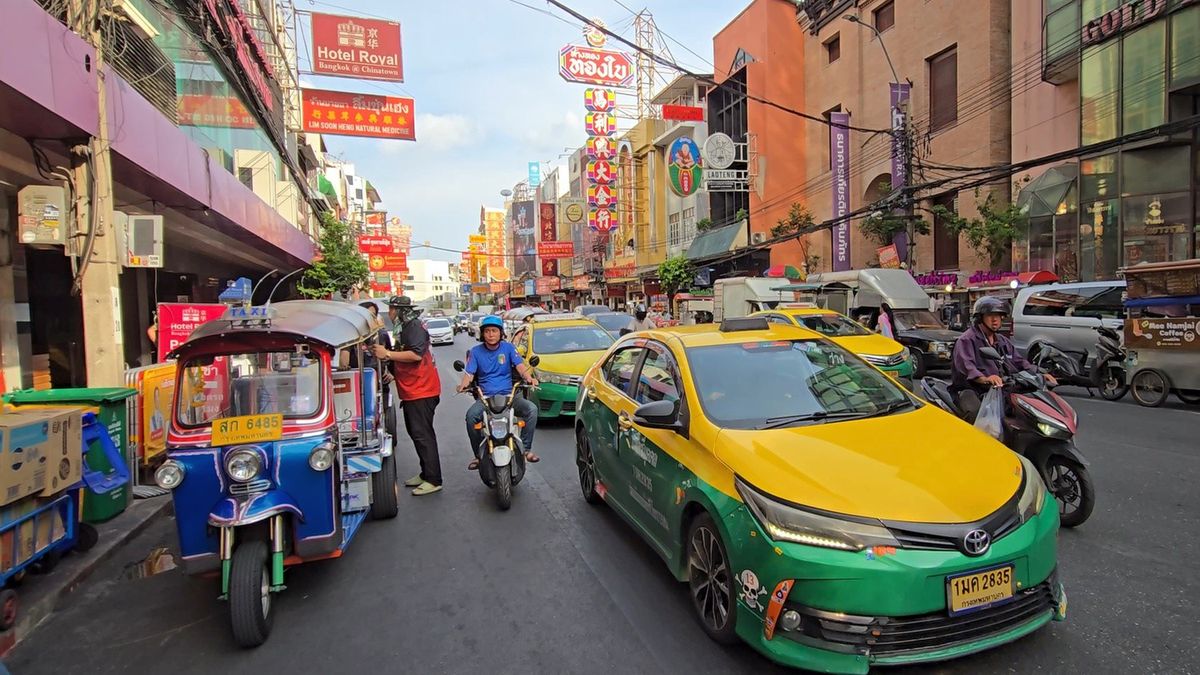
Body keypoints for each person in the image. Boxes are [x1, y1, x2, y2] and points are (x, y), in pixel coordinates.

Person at [373, 296, 443, 496]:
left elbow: (416, 355)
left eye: (392, 309)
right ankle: (425, 472)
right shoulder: (403, 328)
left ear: (400, 310)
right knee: (416, 433)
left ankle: (433, 479)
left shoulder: (413, 327)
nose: (389, 313)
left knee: (423, 435)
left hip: (422, 390)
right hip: (412, 390)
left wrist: (387, 354)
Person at [951, 296, 1056, 422]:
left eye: (998, 315)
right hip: (972, 389)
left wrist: (1039, 373)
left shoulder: (1002, 341)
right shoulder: (967, 340)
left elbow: (1019, 362)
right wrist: (985, 378)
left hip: (1000, 389)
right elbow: (967, 367)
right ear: (980, 317)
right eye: (990, 315)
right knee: (978, 417)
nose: (995, 319)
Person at [456, 315, 540, 468]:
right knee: (471, 417)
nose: (491, 334)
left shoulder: (508, 348)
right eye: (487, 331)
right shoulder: (475, 352)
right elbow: (469, 373)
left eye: (494, 331)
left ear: (501, 333)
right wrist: (463, 385)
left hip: (510, 397)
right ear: (482, 333)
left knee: (532, 409)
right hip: (486, 399)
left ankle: (526, 449)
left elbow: (520, 366)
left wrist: (530, 378)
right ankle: (478, 456)